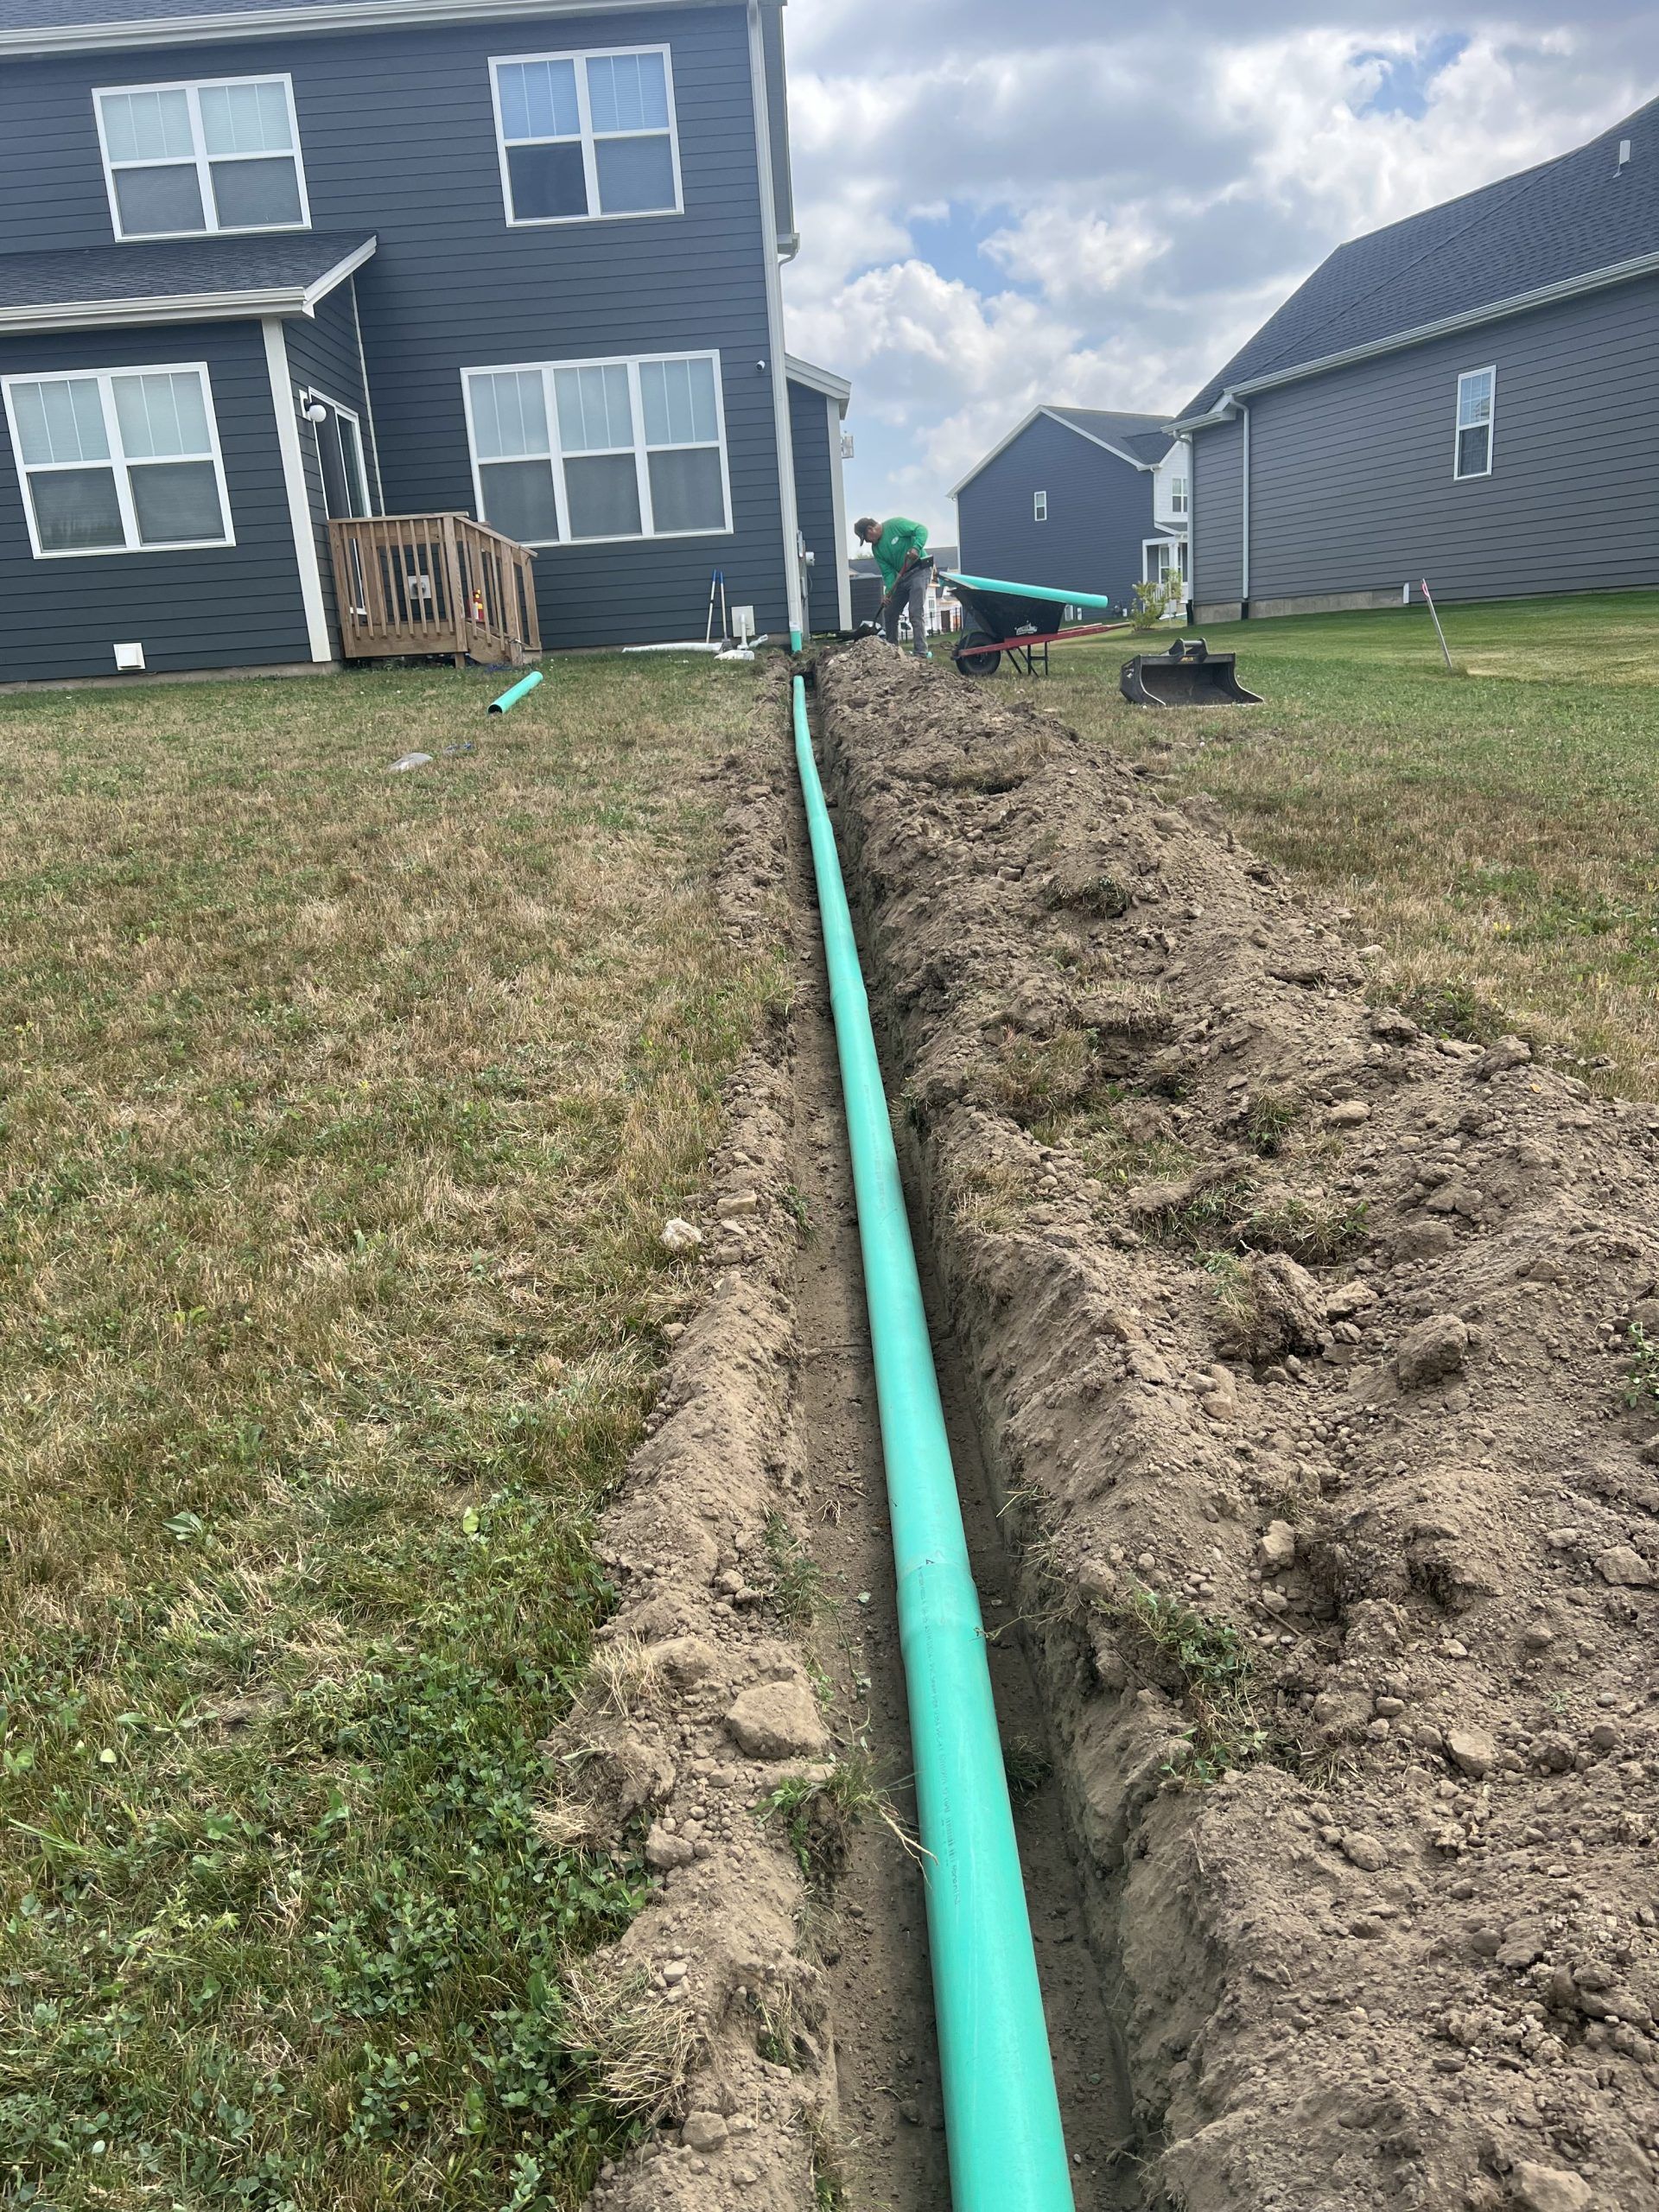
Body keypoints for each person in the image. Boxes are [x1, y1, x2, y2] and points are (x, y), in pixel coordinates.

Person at [855, 515, 931, 659]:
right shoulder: (876, 549)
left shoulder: (896, 524)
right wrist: (888, 593)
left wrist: (916, 547)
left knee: (915, 611)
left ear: (870, 530)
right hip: (903, 576)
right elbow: (888, 573)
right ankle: (892, 651)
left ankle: (921, 652)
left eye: (866, 539)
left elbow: (922, 530)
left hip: (920, 569)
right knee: (890, 612)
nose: (868, 542)